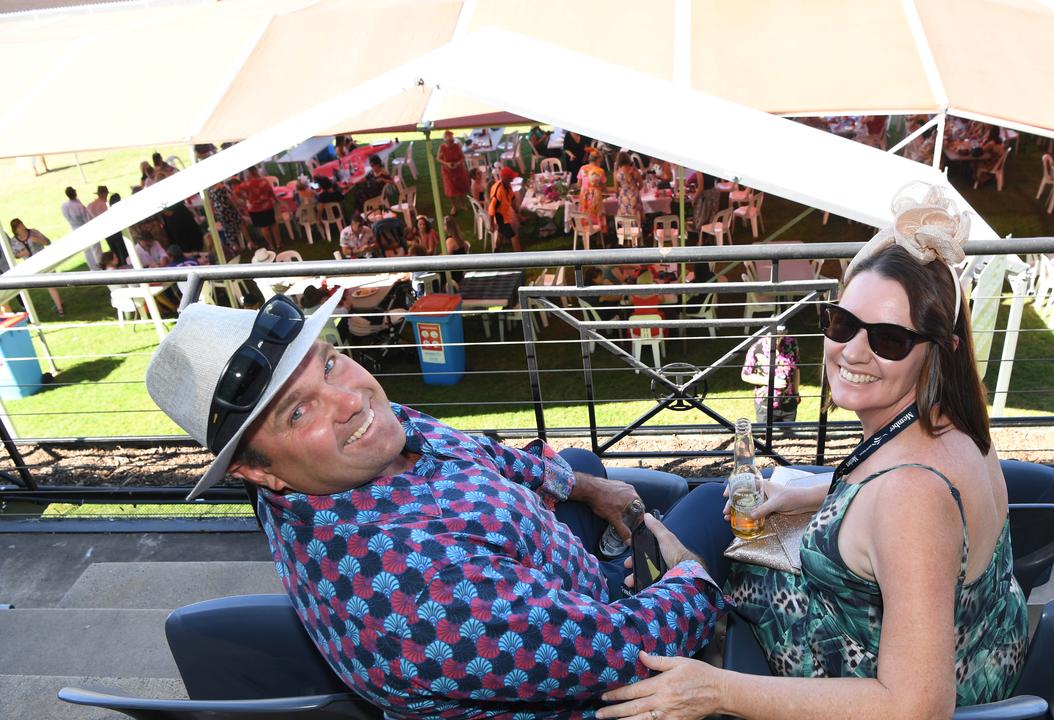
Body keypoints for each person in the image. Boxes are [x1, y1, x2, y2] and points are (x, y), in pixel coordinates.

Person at [143, 293, 732, 719]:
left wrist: (586, 488)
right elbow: (630, 650)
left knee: (587, 464)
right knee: (711, 505)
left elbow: (469, 449)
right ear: (256, 470)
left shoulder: (360, 444)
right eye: (297, 412)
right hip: (598, 668)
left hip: (555, 588)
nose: (350, 398)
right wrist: (689, 577)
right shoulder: (414, 588)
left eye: (328, 362)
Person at [598, 184, 1027, 720]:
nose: (852, 350)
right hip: (977, 648)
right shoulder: (953, 424)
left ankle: (647, 600)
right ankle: (667, 577)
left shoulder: (912, 497)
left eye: (889, 339)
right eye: (843, 323)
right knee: (714, 505)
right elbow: (887, 492)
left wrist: (719, 689)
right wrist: (797, 492)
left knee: (667, 566)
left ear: (939, 350)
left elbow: (917, 705)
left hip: (880, 682)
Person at [740, 328, 801, 424]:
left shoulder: (791, 343)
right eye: (772, 337)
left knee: (788, 437)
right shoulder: (757, 348)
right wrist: (771, 381)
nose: (775, 340)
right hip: (765, 404)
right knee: (765, 436)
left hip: (788, 402)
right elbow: (745, 375)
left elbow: (796, 368)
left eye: (779, 336)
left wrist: (796, 393)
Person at [7, 219, 64, 316]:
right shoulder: (14, 241)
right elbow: (14, 254)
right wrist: (22, 254)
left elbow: (47, 242)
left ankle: (60, 309)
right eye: (19, 227)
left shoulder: (33, 232)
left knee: (50, 285)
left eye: (22, 224)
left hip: (44, 262)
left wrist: (38, 240)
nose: (22, 227)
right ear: (15, 230)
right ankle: (59, 302)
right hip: (32, 267)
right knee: (49, 285)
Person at [236, 166, 281, 252]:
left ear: (248, 173)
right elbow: (271, 192)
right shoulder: (263, 181)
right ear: (255, 171)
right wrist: (276, 200)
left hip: (255, 209)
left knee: (264, 227)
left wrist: (245, 198)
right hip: (267, 206)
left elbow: (236, 191)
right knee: (273, 224)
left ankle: (271, 245)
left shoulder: (247, 184)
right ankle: (278, 244)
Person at [61, 186, 103, 270]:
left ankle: (93, 267)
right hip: (86, 229)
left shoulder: (64, 206)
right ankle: (100, 266)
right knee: (95, 249)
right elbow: (87, 219)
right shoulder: (78, 207)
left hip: (75, 229)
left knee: (87, 251)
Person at [488, 165, 523, 252]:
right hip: (500, 217)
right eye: (511, 178)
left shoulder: (508, 186)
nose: (512, 179)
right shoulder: (498, 191)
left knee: (501, 233)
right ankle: (520, 258)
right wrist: (492, 225)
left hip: (506, 213)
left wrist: (517, 212)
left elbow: (512, 198)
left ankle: (496, 251)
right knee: (514, 236)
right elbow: (491, 209)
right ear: (505, 178)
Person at [436, 129, 470, 214]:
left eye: (452, 141)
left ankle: (462, 204)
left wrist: (458, 163)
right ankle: (453, 206)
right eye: (449, 141)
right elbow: (438, 158)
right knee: (450, 189)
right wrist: (446, 163)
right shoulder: (442, 147)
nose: (450, 143)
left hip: (458, 169)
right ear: (445, 140)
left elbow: (462, 157)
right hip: (447, 171)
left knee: (461, 187)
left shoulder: (457, 146)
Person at [613, 153, 644, 232]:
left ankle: (626, 236)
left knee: (625, 216)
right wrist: (635, 189)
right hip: (634, 194)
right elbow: (641, 185)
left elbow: (616, 189)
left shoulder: (617, 173)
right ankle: (637, 236)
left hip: (623, 196)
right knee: (635, 215)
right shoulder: (634, 170)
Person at [577, 149, 607, 229]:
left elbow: (578, 185)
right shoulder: (600, 171)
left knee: (585, 211)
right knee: (596, 212)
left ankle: (585, 231)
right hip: (595, 195)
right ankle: (598, 235)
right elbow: (604, 188)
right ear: (598, 160)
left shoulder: (582, 168)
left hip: (584, 195)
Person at [104, 193, 128, 262]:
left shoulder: (109, 212)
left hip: (112, 236)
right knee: (123, 252)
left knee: (119, 253)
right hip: (117, 235)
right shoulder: (118, 211)